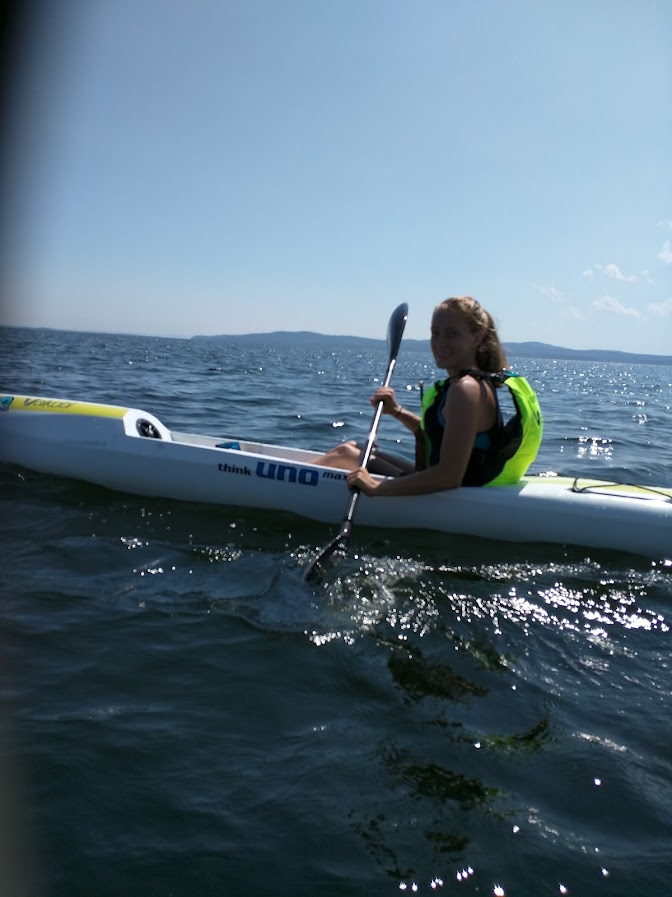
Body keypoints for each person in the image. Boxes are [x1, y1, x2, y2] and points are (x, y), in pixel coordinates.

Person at [315, 295, 542, 496]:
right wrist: (397, 412)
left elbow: (448, 477)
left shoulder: (466, 389)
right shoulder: (471, 383)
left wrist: (376, 488)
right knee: (354, 448)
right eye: (435, 333)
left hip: (452, 495)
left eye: (452, 334)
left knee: (345, 454)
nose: (440, 342)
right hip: (446, 484)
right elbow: (440, 436)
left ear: (477, 336)